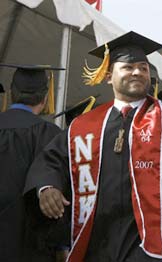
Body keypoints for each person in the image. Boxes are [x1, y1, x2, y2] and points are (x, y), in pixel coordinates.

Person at [24, 15, 162, 262]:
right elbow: (51, 160)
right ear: (108, 75)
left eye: (143, 67)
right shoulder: (84, 127)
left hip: (158, 252)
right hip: (99, 248)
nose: (137, 72)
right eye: (128, 67)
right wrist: (47, 187)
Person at [0, 64, 63, 260]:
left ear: (11, 93)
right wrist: (61, 245)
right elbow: (58, 199)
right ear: (45, 98)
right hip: (28, 249)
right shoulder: (50, 135)